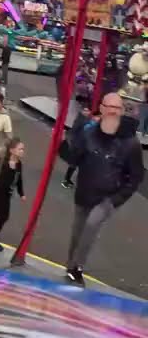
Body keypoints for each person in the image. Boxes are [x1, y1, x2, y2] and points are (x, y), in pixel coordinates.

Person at [64, 92, 144, 286]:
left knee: (91, 226)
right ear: (101, 108)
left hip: (107, 198)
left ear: (122, 111)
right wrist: (65, 142)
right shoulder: (88, 133)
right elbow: (74, 158)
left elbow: (136, 176)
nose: (112, 111)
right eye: (109, 107)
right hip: (84, 193)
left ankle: (78, 266)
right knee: (78, 232)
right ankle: (70, 266)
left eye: (116, 108)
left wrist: (117, 199)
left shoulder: (130, 143)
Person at [60, 101, 93, 189]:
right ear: (81, 111)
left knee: (79, 165)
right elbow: (73, 132)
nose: (86, 112)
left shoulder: (88, 120)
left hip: (83, 147)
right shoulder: (80, 120)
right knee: (74, 165)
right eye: (85, 110)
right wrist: (73, 144)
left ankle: (72, 180)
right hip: (78, 146)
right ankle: (66, 180)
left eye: (88, 111)